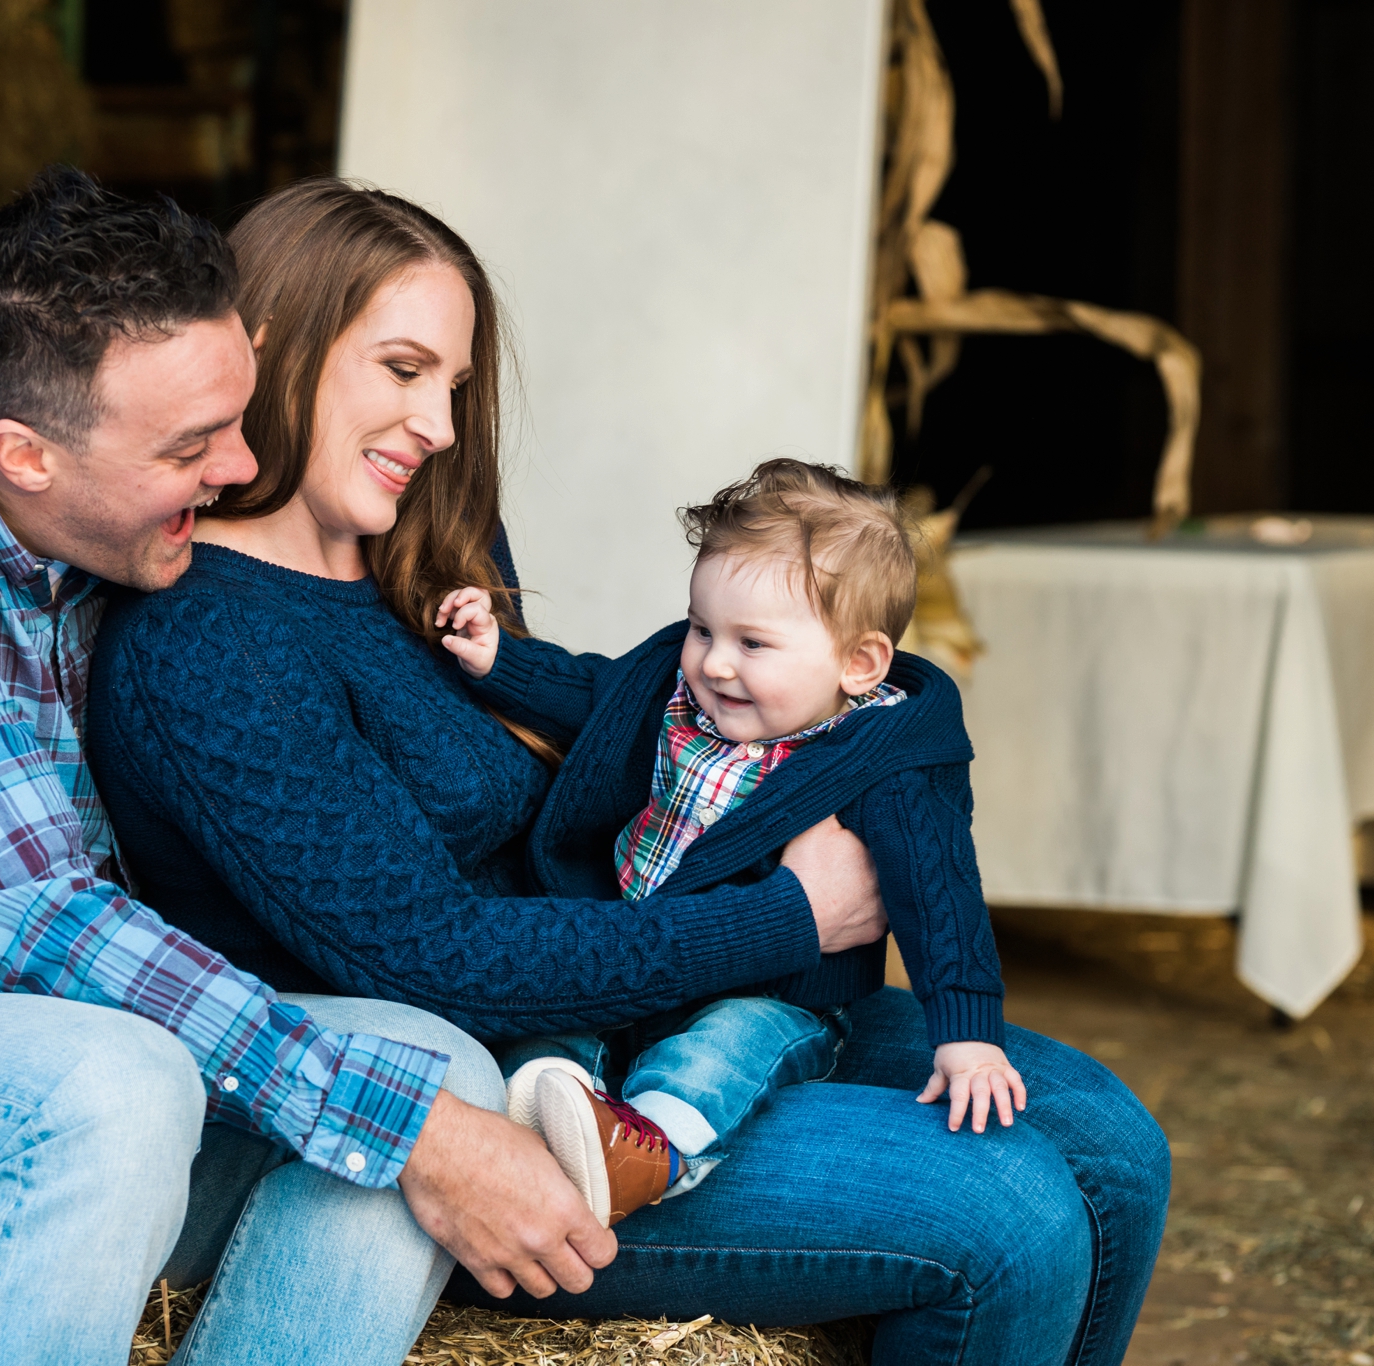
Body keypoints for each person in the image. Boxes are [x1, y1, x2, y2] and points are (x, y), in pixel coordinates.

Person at [87, 177, 1171, 1365]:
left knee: (1113, 1151)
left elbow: (626, 714)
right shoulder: (205, 644)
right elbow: (434, 958)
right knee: (1004, 1217)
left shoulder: (420, 550)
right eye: (401, 370)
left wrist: (869, 724)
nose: (440, 425)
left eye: (451, 385)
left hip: (650, 992)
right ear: (266, 345)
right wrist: (789, 913)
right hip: (511, 1103)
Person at [0, 166, 621, 1366]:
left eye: (236, 417)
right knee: (132, 1082)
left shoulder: (102, 515)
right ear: (26, 453)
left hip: (48, 1069)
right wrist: (415, 1138)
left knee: (422, 1056)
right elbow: (40, 921)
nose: (240, 467)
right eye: (194, 443)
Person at [436, 458, 1025, 1228]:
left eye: (752, 644)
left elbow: (940, 897)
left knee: (723, 1051)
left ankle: (651, 1151)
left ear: (859, 663)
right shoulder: (679, 693)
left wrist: (970, 1036)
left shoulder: (885, 765)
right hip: (638, 944)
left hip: (774, 990)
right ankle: (551, 1100)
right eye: (702, 628)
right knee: (558, 1018)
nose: (714, 662)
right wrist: (500, 661)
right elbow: (591, 693)